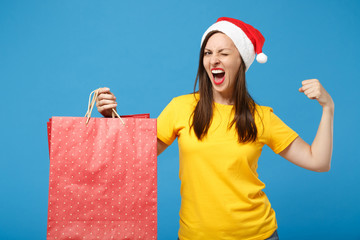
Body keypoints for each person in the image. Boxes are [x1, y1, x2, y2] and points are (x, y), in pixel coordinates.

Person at [96, 17, 334, 240]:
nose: (214, 60)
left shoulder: (261, 117)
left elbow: (318, 161)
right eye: (208, 53)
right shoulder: (181, 108)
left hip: (258, 234)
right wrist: (110, 120)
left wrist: (328, 108)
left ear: (241, 60)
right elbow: (134, 155)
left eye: (223, 53)